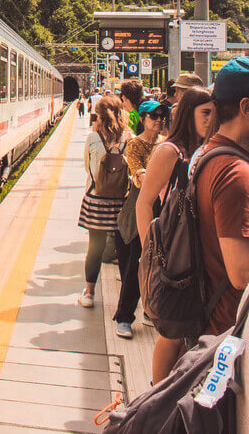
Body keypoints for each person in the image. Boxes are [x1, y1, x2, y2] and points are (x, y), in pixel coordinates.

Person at [136, 86, 214, 383]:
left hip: (195, 252)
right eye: (205, 113)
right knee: (173, 331)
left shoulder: (208, 150)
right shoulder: (170, 151)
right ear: (188, 115)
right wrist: (150, 254)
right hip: (173, 253)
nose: (211, 119)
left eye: (214, 113)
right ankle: (153, 394)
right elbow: (144, 203)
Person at [196, 58, 249, 337]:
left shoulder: (209, 154)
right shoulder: (236, 174)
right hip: (229, 334)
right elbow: (240, 274)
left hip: (212, 324)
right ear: (246, 107)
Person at [113, 99, 167, 338]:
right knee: (135, 265)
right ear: (143, 119)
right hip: (137, 213)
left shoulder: (166, 144)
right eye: (153, 116)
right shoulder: (134, 144)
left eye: (161, 116)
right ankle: (124, 317)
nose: (158, 120)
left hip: (162, 211)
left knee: (156, 266)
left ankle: (148, 309)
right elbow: (140, 175)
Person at [78, 94, 130, 308]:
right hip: (121, 204)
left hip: (96, 201)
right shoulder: (130, 138)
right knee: (124, 250)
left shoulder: (92, 138)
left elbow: (87, 167)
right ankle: (125, 295)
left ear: (99, 115)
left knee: (95, 247)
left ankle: (89, 294)